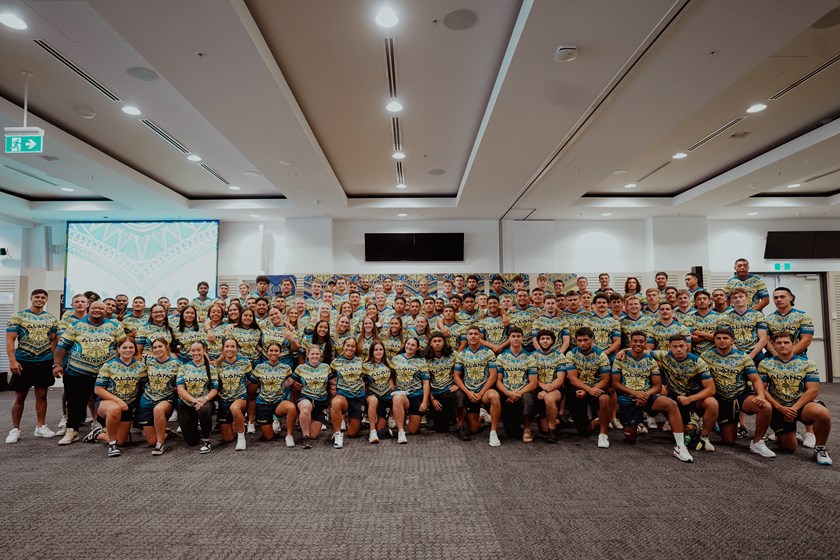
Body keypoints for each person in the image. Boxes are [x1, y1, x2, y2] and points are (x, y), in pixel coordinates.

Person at [611, 332, 693, 462]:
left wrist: (644, 395)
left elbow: (657, 386)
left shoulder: (650, 359)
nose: (638, 344)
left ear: (645, 343)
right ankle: (637, 424)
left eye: (641, 341)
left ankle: (680, 447)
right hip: (628, 398)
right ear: (630, 342)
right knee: (630, 438)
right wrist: (635, 394)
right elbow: (615, 383)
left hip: (646, 396)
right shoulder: (621, 358)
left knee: (671, 404)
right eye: (635, 341)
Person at [54, 301, 126, 445]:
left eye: (100, 308)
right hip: (77, 371)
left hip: (105, 373)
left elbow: (124, 345)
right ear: (89, 309)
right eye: (94, 308)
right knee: (74, 403)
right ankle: (72, 430)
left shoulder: (115, 325)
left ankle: (104, 429)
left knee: (105, 402)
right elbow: (62, 346)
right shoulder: (75, 325)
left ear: (106, 311)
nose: (97, 310)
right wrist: (56, 365)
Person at [759, 332, 832, 466]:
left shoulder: (807, 363)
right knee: (789, 448)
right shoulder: (765, 363)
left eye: (786, 342)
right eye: (779, 343)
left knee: (822, 413)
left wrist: (794, 408)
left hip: (800, 405)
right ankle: (787, 432)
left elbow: (813, 390)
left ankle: (820, 448)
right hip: (779, 407)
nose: (782, 345)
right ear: (773, 345)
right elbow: (761, 389)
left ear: (794, 344)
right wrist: (780, 408)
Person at [701, 328, 776, 458]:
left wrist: (761, 395)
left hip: (741, 394)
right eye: (718, 338)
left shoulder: (743, 357)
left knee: (765, 406)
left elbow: (755, 379)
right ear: (714, 340)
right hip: (721, 398)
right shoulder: (706, 356)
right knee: (729, 440)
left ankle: (757, 442)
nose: (722, 341)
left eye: (725, 338)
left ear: (732, 340)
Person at [5, 289, 59, 443]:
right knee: (20, 395)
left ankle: (40, 427)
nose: (40, 299)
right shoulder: (19, 316)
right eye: (37, 297)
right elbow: (10, 339)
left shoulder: (52, 319)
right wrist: (12, 360)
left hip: (44, 361)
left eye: (43, 297)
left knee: (42, 394)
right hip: (23, 361)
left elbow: (54, 341)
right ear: (31, 298)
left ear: (46, 300)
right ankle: (15, 429)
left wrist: (54, 362)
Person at [649, 335, 719, 452]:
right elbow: (643, 351)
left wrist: (690, 399)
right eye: (675, 346)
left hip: (695, 397)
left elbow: (711, 389)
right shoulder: (664, 355)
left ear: (687, 346)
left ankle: (705, 437)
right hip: (676, 397)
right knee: (682, 433)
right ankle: (692, 425)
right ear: (669, 347)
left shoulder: (698, 362)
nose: (678, 349)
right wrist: (625, 351)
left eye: (681, 346)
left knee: (712, 403)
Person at [93, 338, 148, 457]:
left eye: (131, 347)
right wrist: (118, 400)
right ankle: (112, 445)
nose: (128, 350)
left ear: (135, 349)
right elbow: (98, 390)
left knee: (121, 441)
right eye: (124, 347)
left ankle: (98, 434)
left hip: (128, 406)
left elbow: (143, 387)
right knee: (115, 409)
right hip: (107, 402)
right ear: (119, 349)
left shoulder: (141, 367)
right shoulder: (109, 365)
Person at [453, 326, 502, 446]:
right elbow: (456, 376)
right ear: (467, 337)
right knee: (473, 429)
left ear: (480, 336)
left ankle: (493, 432)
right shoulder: (462, 355)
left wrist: (481, 392)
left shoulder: (488, 353)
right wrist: (468, 392)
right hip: (470, 391)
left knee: (494, 396)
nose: (473, 336)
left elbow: (493, 375)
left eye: (476, 333)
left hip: (484, 391)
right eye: (470, 334)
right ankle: (482, 416)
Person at [565, 327, 612, 448]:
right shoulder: (571, 354)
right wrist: (588, 390)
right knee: (583, 432)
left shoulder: (601, 355)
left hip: (596, 388)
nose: (582, 343)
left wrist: (590, 390)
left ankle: (603, 435)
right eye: (579, 340)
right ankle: (598, 421)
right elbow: (572, 379)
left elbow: (606, 379)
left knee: (605, 398)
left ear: (592, 340)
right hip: (578, 390)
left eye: (585, 340)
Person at [137, 338, 180, 455]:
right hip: (148, 399)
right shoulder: (148, 363)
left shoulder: (177, 364)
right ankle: (164, 433)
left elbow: (181, 383)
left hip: (166, 398)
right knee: (151, 441)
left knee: (158, 409)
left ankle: (160, 444)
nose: (157, 349)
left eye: (160, 346)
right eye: (154, 348)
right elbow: (141, 380)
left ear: (166, 347)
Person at [495, 327, 538, 443]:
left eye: (518, 336)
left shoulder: (530, 357)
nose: (516, 339)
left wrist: (518, 393)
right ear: (509, 338)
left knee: (528, 398)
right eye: (513, 336)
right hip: (506, 392)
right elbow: (498, 380)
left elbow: (533, 383)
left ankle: (527, 428)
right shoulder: (501, 357)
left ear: (523, 338)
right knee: (511, 432)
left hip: (523, 392)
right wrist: (508, 393)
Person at [176, 341, 219, 454]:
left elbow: (214, 389)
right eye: (193, 350)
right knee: (192, 441)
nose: (196, 353)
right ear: (190, 352)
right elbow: (180, 389)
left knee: (203, 409)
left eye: (199, 350)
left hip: (204, 401)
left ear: (204, 350)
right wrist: (194, 400)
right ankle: (197, 425)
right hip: (186, 403)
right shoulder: (184, 367)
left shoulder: (211, 368)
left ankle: (206, 439)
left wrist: (204, 399)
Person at [251, 342, 297, 447]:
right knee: (269, 437)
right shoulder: (259, 367)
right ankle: (270, 424)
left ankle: (289, 435)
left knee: (291, 407)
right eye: (271, 350)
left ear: (280, 353)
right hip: (263, 403)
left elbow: (292, 383)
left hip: (278, 402)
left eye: (276, 351)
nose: (273, 353)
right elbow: (252, 384)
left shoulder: (285, 368)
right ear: (267, 353)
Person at [389, 337, 430, 444]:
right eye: (408, 344)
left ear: (417, 348)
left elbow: (426, 383)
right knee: (397, 398)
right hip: (401, 395)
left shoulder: (421, 361)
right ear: (405, 345)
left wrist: (425, 402)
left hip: (416, 395)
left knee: (413, 431)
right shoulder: (396, 359)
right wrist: (392, 385)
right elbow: (390, 375)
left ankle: (407, 417)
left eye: (413, 345)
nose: (409, 346)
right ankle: (401, 431)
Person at [292, 345, 333, 449]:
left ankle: (305, 423)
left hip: (320, 402)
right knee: (306, 407)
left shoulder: (326, 367)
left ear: (320, 355)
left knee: (314, 435)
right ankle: (305, 436)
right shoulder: (301, 368)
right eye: (312, 354)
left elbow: (334, 381)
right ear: (307, 355)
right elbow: (289, 382)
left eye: (317, 354)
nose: (315, 356)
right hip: (306, 397)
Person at [329, 338, 367, 448]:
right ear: (343, 346)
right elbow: (330, 378)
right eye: (347, 345)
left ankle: (348, 420)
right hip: (343, 395)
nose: (349, 348)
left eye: (352, 346)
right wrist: (333, 385)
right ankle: (337, 434)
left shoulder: (361, 362)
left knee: (352, 433)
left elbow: (365, 377)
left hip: (357, 396)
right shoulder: (335, 362)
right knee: (336, 402)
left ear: (355, 348)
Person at [531, 329, 568, 443]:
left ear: (553, 341)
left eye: (548, 339)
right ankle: (556, 421)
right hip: (537, 388)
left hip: (554, 388)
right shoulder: (532, 356)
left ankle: (553, 431)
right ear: (538, 341)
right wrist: (543, 386)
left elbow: (561, 379)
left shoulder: (559, 356)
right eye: (542, 339)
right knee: (543, 430)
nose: (545, 341)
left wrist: (547, 390)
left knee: (549, 398)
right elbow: (532, 378)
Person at [216, 338, 252, 450]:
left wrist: (242, 388)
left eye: (232, 346)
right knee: (228, 439)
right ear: (223, 348)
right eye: (227, 346)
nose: (230, 349)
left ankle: (241, 437)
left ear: (237, 348)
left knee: (235, 408)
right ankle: (235, 423)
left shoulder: (245, 362)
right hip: (224, 399)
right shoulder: (218, 364)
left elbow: (251, 379)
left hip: (239, 396)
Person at [424, 332, 457, 435]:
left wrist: (458, 384)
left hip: (450, 389)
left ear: (444, 342)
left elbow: (464, 370)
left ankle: (457, 419)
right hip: (435, 392)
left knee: (458, 395)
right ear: (430, 344)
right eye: (434, 341)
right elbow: (424, 382)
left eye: (439, 341)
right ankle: (432, 415)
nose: (437, 343)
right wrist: (432, 399)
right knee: (441, 430)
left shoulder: (453, 354)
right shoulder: (425, 359)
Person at [362, 341, 395, 443]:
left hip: (386, 396)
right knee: (373, 400)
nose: (378, 352)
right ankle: (372, 431)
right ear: (372, 352)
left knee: (380, 430)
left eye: (381, 349)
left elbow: (391, 381)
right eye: (376, 350)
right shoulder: (365, 365)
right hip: (372, 394)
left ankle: (382, 430)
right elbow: (362, 383)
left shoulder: (389, 364)